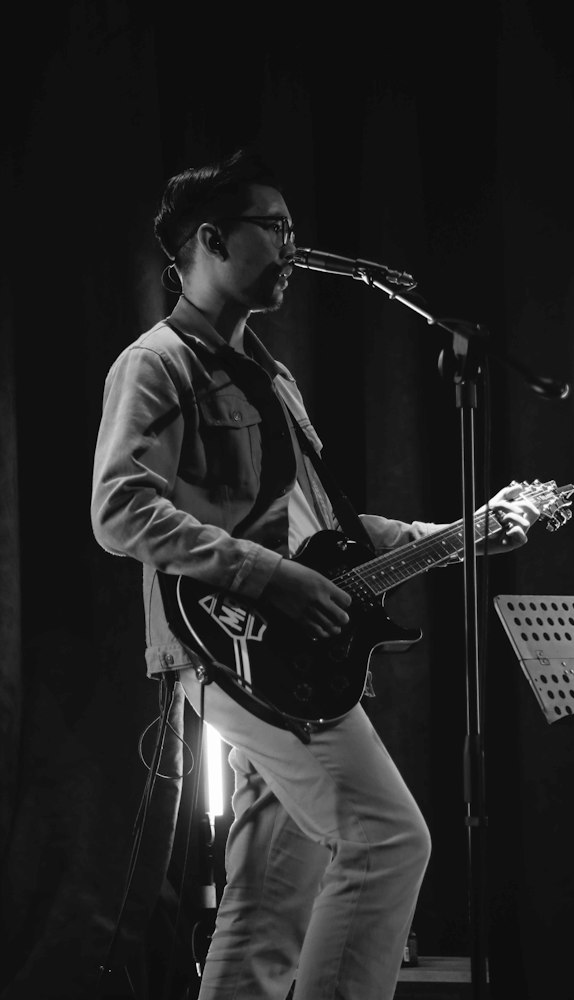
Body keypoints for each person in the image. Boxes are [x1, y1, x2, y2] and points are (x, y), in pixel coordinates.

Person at [90, 149, 539, 1000]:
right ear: (212, 240)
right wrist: (269, 579)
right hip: (229, 647)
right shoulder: (155, 363)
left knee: (269, 897)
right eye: (277, 229)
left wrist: (455, 535)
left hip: (286, 657)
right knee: (386, 842)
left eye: (296, 231)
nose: (295, 248)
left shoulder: (273, 374)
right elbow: (119, 511)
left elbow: (318, 528)